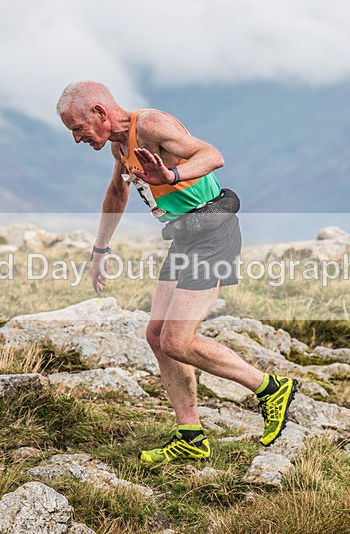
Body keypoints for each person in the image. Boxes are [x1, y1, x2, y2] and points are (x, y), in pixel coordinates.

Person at [56, 81, 297, 463]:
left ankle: (270, 388)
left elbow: (212, 155)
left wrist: (168, 177)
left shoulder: (151, 125)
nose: (75, 138)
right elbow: (116, 194)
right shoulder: (121, 145)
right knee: (156, 335)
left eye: (77, 128)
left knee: (177, 341)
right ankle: (190, 435)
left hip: (213, 234)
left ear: (99, 113)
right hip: (185, 238)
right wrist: (100, 249)